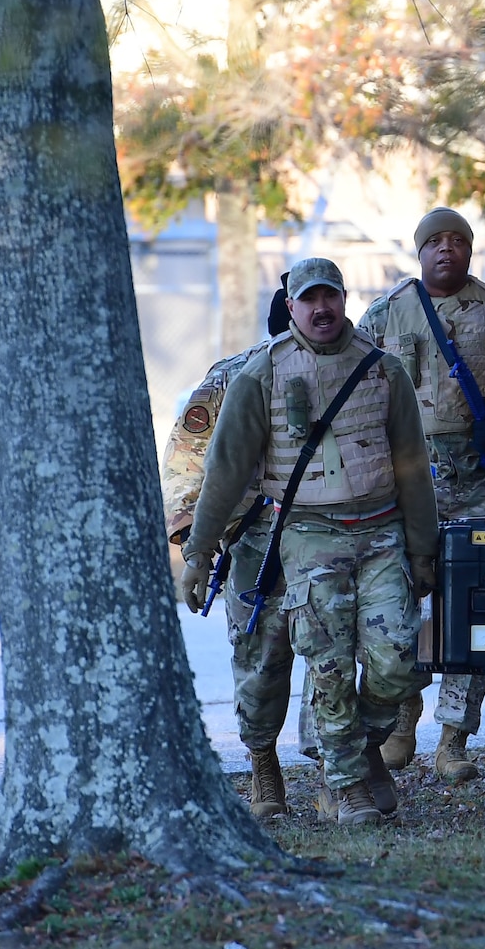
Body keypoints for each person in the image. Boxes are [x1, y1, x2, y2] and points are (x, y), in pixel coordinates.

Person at [180, 258, 439, 825]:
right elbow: (221, 469)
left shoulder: (382, 370)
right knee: (323, 666)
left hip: (379, 531)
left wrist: (424, 550)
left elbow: (414, 468)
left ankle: (362, 746)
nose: (321, 308)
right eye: (308, 298)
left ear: (344, 299)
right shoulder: (258, 374)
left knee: (400, 660)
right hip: (304, 535)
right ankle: (340, 784)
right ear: (290, 306)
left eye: (330, 296)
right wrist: (198, 550)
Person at [358, 207, 485, 783]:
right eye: (435, 242)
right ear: (419, 252)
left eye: (457, 241)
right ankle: (401, 720)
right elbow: (354, 387)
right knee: (398, 603)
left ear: (470, 251)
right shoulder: (386, 312)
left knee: (476, 607)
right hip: (405, 482)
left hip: (481, 480)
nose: (446, 250)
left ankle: (454, 739)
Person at [163, 285, 290, 818]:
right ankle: (263, 766)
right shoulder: (232, 375)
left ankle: (339, 771)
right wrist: (197, 539)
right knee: (259, 662)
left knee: (337, 657)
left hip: (332, 533)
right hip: (252, 542)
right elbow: (187, 459)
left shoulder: (357, 370)